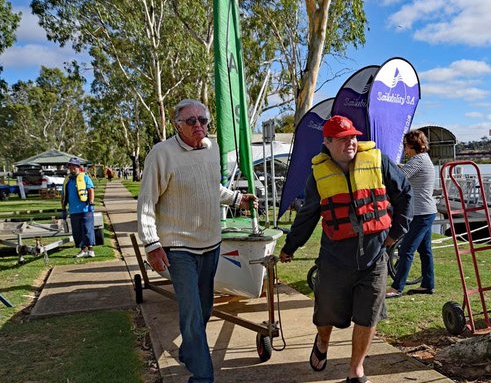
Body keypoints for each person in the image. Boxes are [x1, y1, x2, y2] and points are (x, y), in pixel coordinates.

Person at [279, 115, 412, 383]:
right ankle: (323, 342)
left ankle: (356, 369)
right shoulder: (318, 174)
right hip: (335, 258)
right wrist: (290, 247)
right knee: (327, 312)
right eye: (342, 138)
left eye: (353, 136)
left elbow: (404, 193)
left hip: (374, 257)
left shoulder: (378, 161)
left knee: (368, 314)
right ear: (327, 142)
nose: (351, 142)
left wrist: (396, 233)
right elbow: (308, 215)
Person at [137, 99, 257, 383]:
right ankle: (203, 376)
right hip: (178, 248)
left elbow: (210, 186)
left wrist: (237, 198)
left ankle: (190, 352)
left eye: (203, 120)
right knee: (191, 311)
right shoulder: (161, 154)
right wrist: (152, 243)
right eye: (191, 121)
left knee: (203, 309)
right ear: (177, 125)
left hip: (211, 244)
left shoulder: (210, 149)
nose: (199, 126)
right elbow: (146, 202)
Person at [386, 130, 438, 298]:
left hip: (420, 213)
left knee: (406, 250)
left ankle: (396, 287)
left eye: (406, 146)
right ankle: (428, 284)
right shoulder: (424, 159)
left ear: (411, 145)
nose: (405, 150)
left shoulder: (417, 160)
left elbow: (399, 177)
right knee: (425, 250)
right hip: (427, 211)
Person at [61, 157, 96, 258]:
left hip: (85, 209)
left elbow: (91, 190)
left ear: (78, 167)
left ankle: (91, 250)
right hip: (73, 211)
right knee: (77, 231)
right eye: (70, 166)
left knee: (87, 229)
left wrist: (91, 203)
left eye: (74, 166)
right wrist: (63, 209)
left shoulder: (84, 177)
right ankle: (83, 250)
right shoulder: (67, 180)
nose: (72, 168)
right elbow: (63, 195)